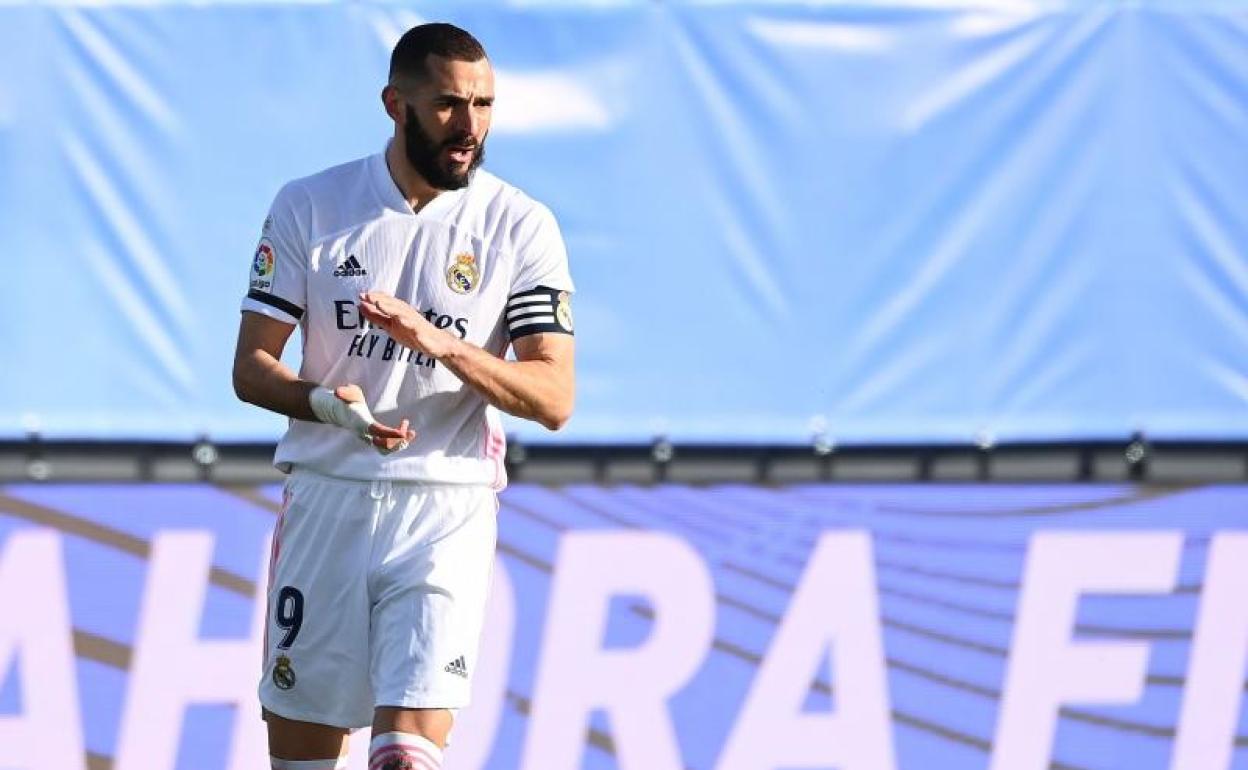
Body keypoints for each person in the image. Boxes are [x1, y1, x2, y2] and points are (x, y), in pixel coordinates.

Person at [232, 22, 575, 770]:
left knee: (405, 758)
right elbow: (252, 367)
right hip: (329, 496)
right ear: (396, 104)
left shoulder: (520, 225)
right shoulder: (312, 205)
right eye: (449, 104)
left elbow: (554, 396)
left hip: (444, 508)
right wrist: (328, 406)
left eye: (484, 104)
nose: (470, 126)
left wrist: (440, 343)